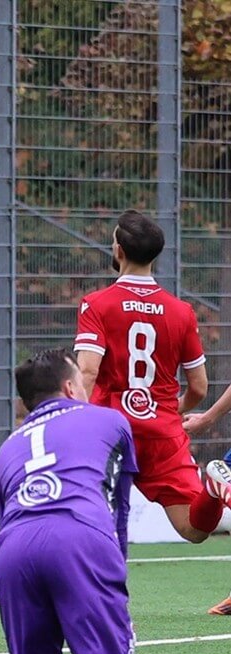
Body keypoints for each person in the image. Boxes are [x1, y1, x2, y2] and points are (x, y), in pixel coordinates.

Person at [72, 209, 231, 613]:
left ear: (119, 251)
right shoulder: (181, 311)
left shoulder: (97, 304)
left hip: (111, 433)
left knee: (99, 522)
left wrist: (74, 423)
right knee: (194, 529)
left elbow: (88, 371)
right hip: (163, 433)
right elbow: (199, 387)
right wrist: (170, 412)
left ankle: (105, 608)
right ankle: (214, 489)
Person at [0, 349, 140, 654]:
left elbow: (6, 518)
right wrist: (114, 568)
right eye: (83, 385)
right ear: (70, 388)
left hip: (12, 551)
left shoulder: (6, 449)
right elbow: (116, 505)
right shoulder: (111, 420)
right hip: (79, 538)